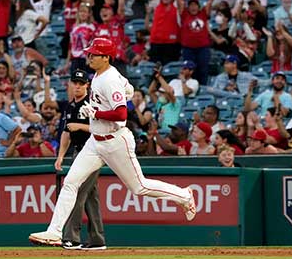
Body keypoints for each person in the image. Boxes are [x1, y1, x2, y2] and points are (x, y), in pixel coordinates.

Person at [28, 37, 196, 246]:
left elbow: (121, 114)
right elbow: (129, 89)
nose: (89, 56)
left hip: (115, 140)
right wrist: (121, 95)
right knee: (70, 182)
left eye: (94, 54)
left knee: (139, 187)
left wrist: (96, 112)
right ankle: (54, 232)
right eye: (89, 53)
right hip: (95, 142)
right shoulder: (100, 75)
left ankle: (184, 196)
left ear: (106, 57)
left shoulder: (109, 79)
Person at [52, 69, 106, 250]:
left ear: (87, 85)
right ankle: (97, 239)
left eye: (81, 83)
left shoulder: (92, 104)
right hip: (78, 152)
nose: (77, 86)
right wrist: (60, 156)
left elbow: (102, 129)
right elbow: (66, 133)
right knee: (91, 197)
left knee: (75, 191)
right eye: (74, 82)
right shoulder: (69, 106)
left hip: (94, 152)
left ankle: (71, 238)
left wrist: (81, 126)